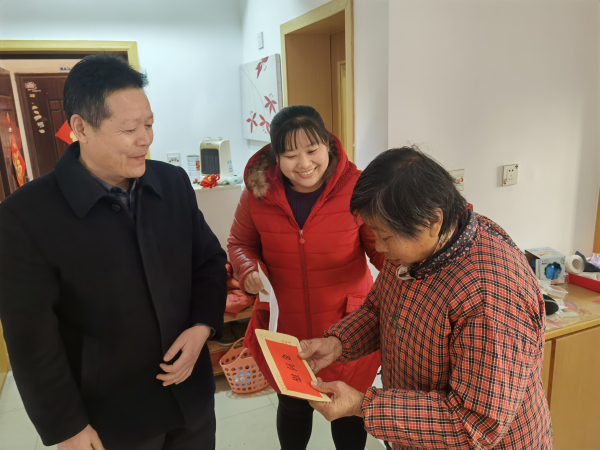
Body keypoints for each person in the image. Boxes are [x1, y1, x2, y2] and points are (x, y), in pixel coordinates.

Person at [0, 54, 227, 449]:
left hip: (190, 397)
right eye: (129, 129)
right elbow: (31, 338)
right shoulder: (25, 215)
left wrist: (202, 326)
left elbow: (208, 261)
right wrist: (67, 426)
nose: (145, 139)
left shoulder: (172, 183)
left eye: (149, 124)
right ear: (80, 128)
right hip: (111, 416)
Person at [299, 147, 553, 450]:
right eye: (374, 232)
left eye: (386, 236)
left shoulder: (490, 294)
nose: (378, 247)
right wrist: (337, 343)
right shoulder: (416, 247)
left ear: (433, 220)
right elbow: (379, 309)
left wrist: (363, 406)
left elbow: (474, 425)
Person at [227, 105, 384, 450]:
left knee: (347, 412)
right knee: (293, 404)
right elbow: (240, 243)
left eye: (312, 150)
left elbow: (380, 248)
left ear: (327, 144)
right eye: (290, 155)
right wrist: (247, 269)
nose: (304, 163)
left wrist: (410, 275)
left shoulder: (358, 188)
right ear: (276, 156)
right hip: (287, 324)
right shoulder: (258, 193)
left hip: (349, 324)